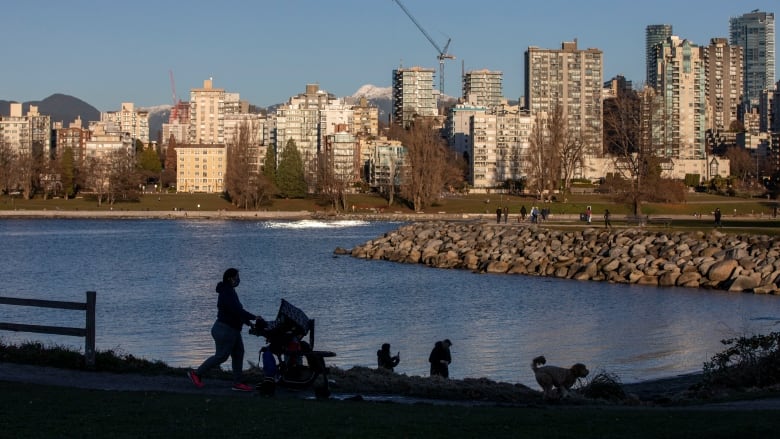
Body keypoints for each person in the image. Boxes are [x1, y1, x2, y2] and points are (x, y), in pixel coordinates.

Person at [188, 268, 263, 392]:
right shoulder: (226, 292)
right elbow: (236, 310)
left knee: (238, 353)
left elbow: (236, 312)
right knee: (221, 356)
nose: (239, 279)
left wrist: (247, 322)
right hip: (225, 330)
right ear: (230, 278)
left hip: (233, 330)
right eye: (237, 277)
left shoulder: (230, 290)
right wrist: (254, 317)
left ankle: (237, 383)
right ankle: (196, 373)